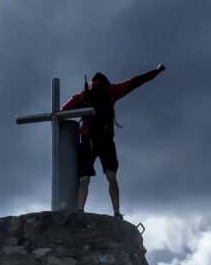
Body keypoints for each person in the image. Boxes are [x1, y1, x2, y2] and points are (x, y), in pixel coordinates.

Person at [60, 64, 167, 217]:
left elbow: (62, 111)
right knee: (111, 176)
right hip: (105, 138)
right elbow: (135, 82)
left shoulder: (83, 95)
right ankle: (116, 212)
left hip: (87, 137)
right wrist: (156, 72)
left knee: (84, 178)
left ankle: (80, 210)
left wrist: (58, 117)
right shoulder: (111, 91)